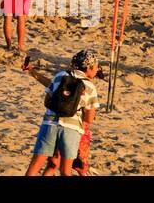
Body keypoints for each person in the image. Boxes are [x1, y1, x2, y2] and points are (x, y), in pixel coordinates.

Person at [24, 49, 99, 177]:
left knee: (35, 164)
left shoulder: (60, 76)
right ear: (89, 68)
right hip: (71, 129)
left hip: (49, 124)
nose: (97, 70)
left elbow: (46, 100)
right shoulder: (90, 87)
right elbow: (89, 118)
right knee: (65, 171)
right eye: (96, 67)